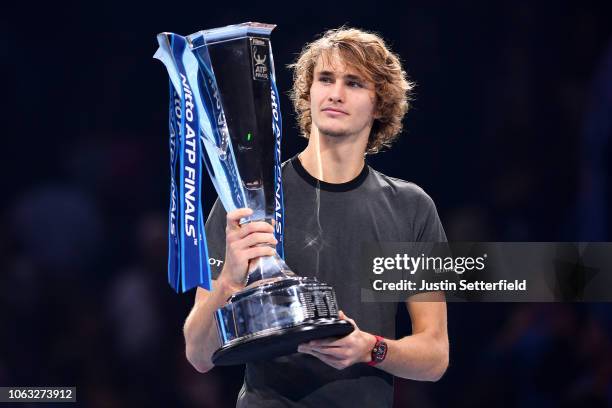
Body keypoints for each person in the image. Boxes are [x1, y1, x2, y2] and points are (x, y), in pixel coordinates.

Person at [183, 27, 449, 407]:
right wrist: (228, 280)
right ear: (308, 92)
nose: (336, 93)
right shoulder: (247, 199)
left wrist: (369, 349)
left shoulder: (410, 207)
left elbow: (436, 355)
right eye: (325, 79)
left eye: (354, 83)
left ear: (380, 104)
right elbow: (198, 355)